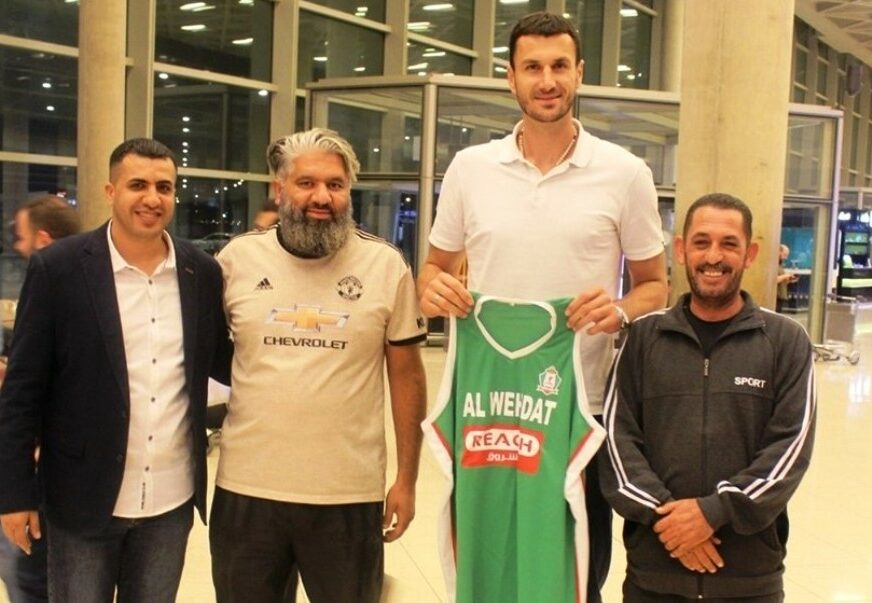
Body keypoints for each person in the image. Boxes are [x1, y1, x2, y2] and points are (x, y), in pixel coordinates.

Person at [418, 11, 667, 602]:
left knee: (576, 570)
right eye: (533, 67)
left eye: (559, 66)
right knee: (490, 553)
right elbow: (431, 268)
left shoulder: (624, 172)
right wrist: (433, 289)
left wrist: (619, 311)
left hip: (583, 405)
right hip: (489, 405)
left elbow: (655, 286)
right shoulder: (471, 169)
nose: (547, 80)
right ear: (511, 78)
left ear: (579, 73)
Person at [0, 138, 231, 603]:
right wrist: (14, 494)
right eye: (137, 185)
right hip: (81, 500)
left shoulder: (201, 272)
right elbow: (22, 391)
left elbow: (226, 362)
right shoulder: (59, 269)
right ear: (110, 191)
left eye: (164, 187)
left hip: (170, 500)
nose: (152, 198)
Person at [210, 127, 427, 603]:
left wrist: (407, 480)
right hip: (247, 490)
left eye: (335, 184)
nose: (322, 197)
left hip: (347, 496)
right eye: (306, 183)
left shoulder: (385, 266)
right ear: (280, 188)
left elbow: (408, 377)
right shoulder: (236, 261)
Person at [600, 193, 816, 602]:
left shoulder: (785, 341)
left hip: (749, 579)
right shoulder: (643, 338)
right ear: (682, 250)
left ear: (750, 254)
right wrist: (670, 521)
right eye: (702, 242)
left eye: (729, 244)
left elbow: (789, 450)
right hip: (654, 575)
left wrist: (713, 513)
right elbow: (616, 441)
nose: (713, 256)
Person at [0, 196, 80, 603]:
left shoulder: (58, 292)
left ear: (44, 240)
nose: (17, 246)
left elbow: (33, 388)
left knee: (30, 577)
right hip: (50, 472)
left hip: (48, 473)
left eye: (21, 237)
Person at [775, 243, 797, 313]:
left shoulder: (780, 265)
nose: (786, 258)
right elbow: (774, 280)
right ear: (779, 252)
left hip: (780, 295)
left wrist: (789, 280)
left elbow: (780, 280)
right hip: (776, 297)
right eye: (785, 255)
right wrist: (786, 276)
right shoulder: (773, 264)